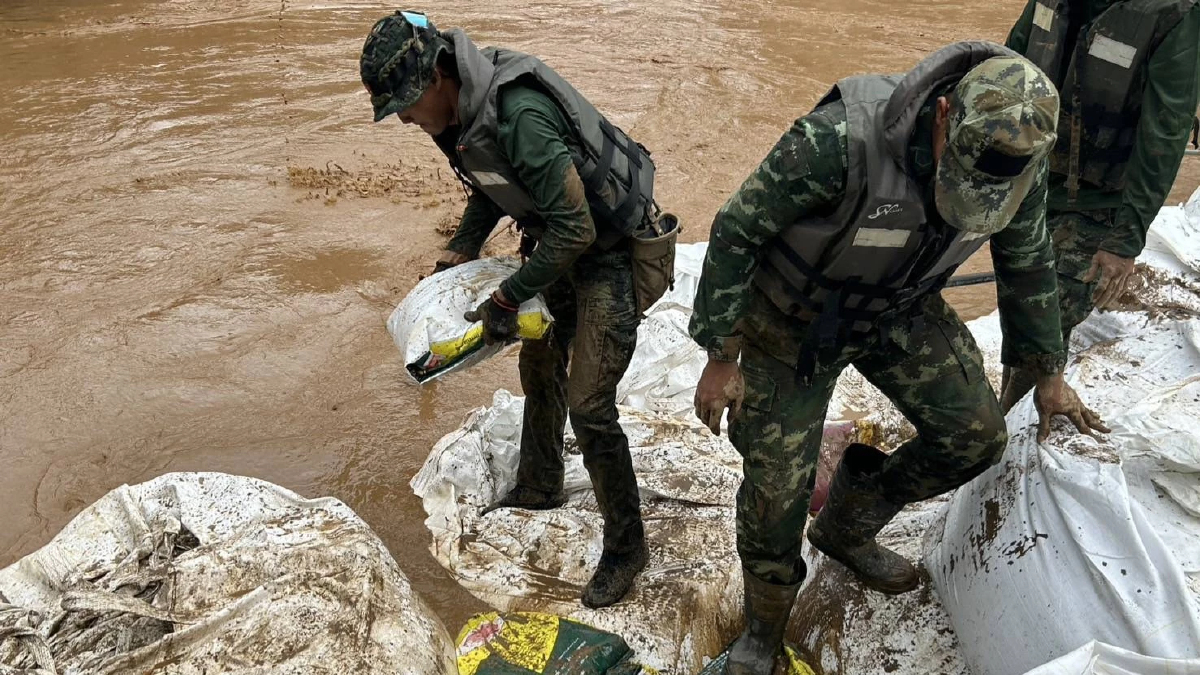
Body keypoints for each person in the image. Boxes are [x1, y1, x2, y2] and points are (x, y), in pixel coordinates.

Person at [688, 43, 1109, 673]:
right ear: (943, 115)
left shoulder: (1022, 162)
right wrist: (722, 354)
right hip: (790, 323)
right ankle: (762, 630)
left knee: (975, 437)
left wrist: (1049, 371)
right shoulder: (835, 142)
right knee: (777, 493)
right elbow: (735, 230)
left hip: (898, 308)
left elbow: (1026, 261)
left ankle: (846, 526)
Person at [361, 10, 674, 608]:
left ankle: (626, 547)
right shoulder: (460, 115)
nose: (403, 118)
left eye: (405, 104)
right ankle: (539, 484)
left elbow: (578, 228)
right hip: (558, 243)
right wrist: (463, 246)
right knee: (540, 366)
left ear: (437, 79)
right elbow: (491, 183)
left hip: (610, 250)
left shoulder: (518, 114)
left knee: (589, 403)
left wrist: (505, 297)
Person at [1001, 0, 1200, 409]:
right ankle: (1011, 413)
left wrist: (1126, 238)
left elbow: (1165, 133)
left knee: (1052, 311)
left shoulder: (1174, 13)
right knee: (1020, 303)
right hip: (1029, 174)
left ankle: (1017, 418)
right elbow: (1007, 62)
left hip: (1099, 196)